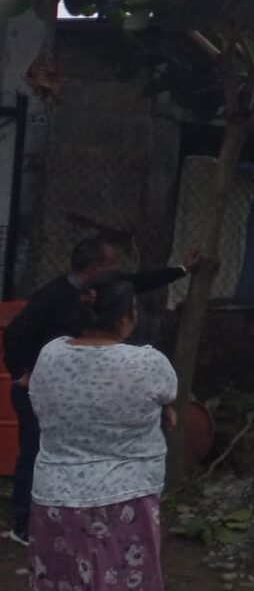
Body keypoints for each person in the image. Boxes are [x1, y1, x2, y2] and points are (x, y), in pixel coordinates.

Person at [3, 236, 198, 547]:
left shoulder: (95, 302)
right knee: (35, 452)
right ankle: (26, 525)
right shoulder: (54, 301)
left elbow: (134, 282)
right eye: (113, 265)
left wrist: (181, 270)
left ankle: (63, 527)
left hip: (67, 400)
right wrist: (24, 375)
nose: (119, 272)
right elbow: (14, 335)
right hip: (46, 390)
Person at [26, 272, 178, 590]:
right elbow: (165, 397)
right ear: (126, 317)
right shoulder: (149, 364)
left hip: (56, 497)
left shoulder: (50, 356)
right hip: (128, 498)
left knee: (60, 581)